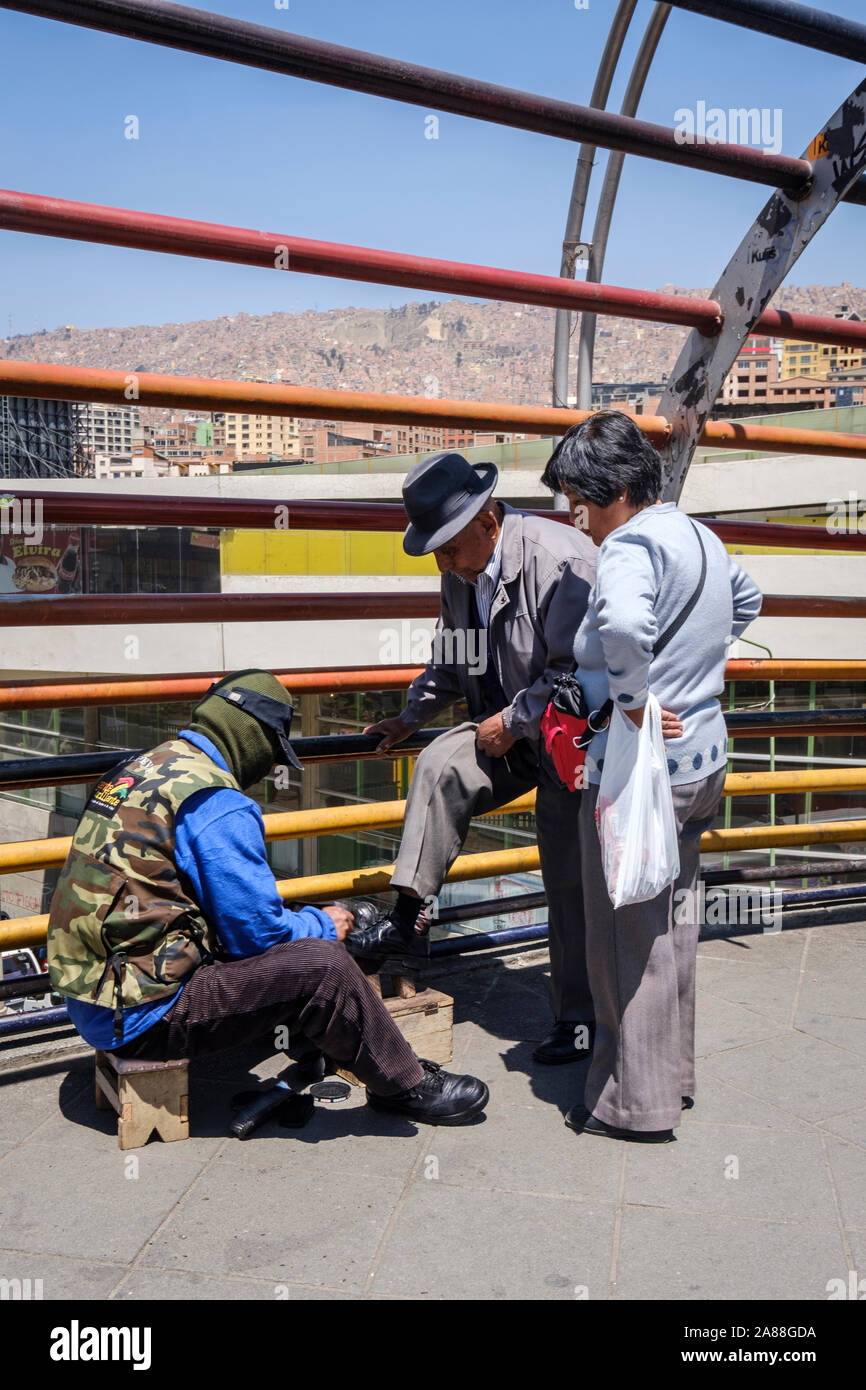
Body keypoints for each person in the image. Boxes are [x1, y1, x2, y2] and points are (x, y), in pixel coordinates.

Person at [46, 669, 489, 1126]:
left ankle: (326, 1026)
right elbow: (256, 936)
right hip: (143, 1019)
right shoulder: (215, 800)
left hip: (96, 1000)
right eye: (273, 751)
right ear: (251, 736)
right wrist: (328, 925)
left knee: (290, 935)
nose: (268, 767)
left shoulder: (145, 767)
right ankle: (405, 1086)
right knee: (322, 964)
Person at [540, 412, 763, 1143]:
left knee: (624, 941)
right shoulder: (701, 535)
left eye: (583, 500)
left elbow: (629, 632)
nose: (579, 519)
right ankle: (674, 1078)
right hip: (704, 761)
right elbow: (749, 600)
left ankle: (633, 1104)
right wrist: (689, 680)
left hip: (640, 777)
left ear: (622, 489)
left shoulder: (632, 546)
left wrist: (637, 702)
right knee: (677, 924)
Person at [345, 450, 601, 1065]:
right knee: (438, 761)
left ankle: (578, 1018)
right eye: (435, 552)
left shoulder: (560, 560)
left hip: (568, 738)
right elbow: (450, 655)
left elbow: (575, 673)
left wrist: (514, 722)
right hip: (504, 731)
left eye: (448, 548)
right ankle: (409, 919)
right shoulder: (461, 566)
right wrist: (410, 716)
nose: (443, 562)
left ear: (488, 523)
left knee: (565, 876)